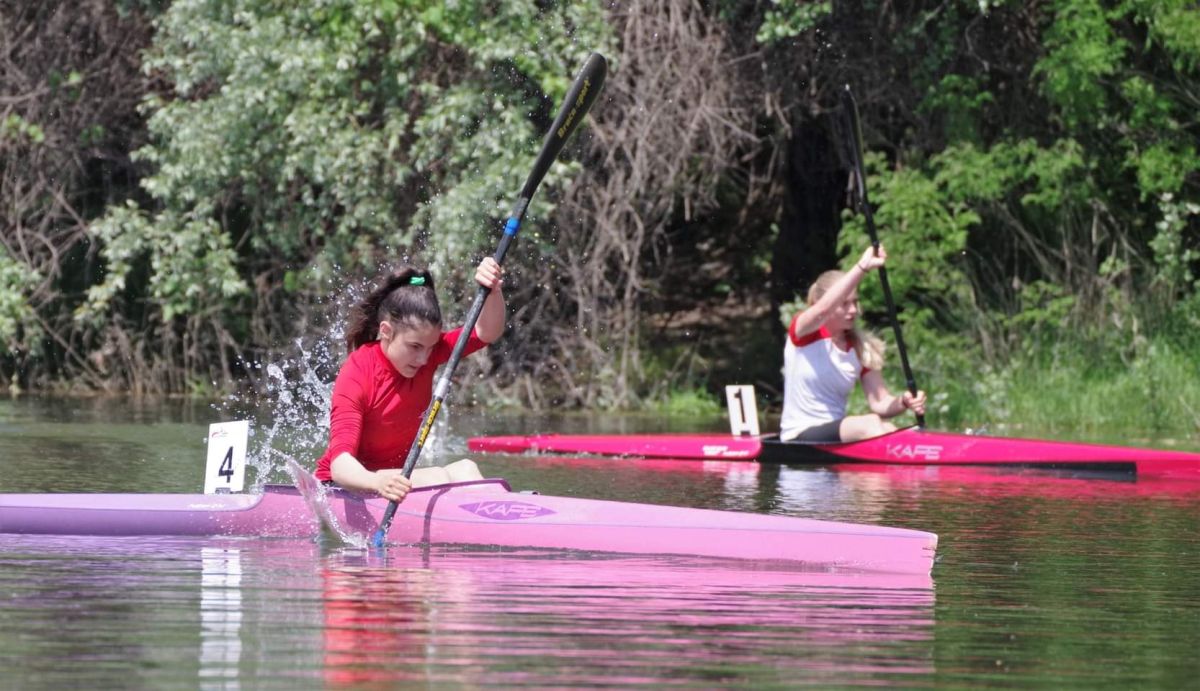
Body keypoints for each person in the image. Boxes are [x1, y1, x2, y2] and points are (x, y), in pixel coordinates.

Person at [314, 258, 505, 502]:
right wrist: (377, 482)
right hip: (344, 488)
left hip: (395, 483)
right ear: (386, 331)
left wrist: (493, 290)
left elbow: (485, 332)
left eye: (430, 347)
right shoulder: (357, 373)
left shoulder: (428, 353)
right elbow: (339, 466)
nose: (424, 359)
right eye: (414, 346)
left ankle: (497, 517)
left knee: (465, 468)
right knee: (446, 474)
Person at [780, 244, 926, 443]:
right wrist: (862, 266)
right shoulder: (804, 332)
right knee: (871, 424)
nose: (853, 310)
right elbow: (822, 310)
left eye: (855, 302)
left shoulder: (860, 348)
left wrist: (903, 401)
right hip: (798, 436)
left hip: (836, 437)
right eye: (844, 303)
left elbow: (880, 402)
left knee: (891, 429)